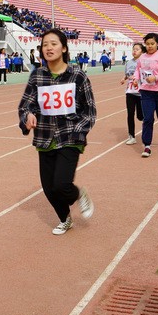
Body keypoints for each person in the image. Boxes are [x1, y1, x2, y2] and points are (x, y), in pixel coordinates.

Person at [17, 28, 96, 235]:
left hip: (70, 137)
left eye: (53, 43)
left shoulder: (77, 76)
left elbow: (90, 110)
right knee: (49, 188)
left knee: (62, 185)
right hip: (44, 138)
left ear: (64, 48)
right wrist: (27, 117)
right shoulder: (37, 76)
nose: (49, 48)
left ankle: (79, 194)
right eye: (45, 45)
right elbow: (26, 105)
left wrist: (77, 131)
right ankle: (65, 219)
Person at [120, 42, 145, 145]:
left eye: (137, 49)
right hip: (130, 92)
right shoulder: (129, 62)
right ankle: (131, 136)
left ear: (142, 51)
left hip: (140, 92)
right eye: (133, 49)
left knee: (140, 116)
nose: (134, 51)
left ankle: (147, 127)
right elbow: (127, 75)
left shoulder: (144, 62)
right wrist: (123, 78)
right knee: (130, 114)